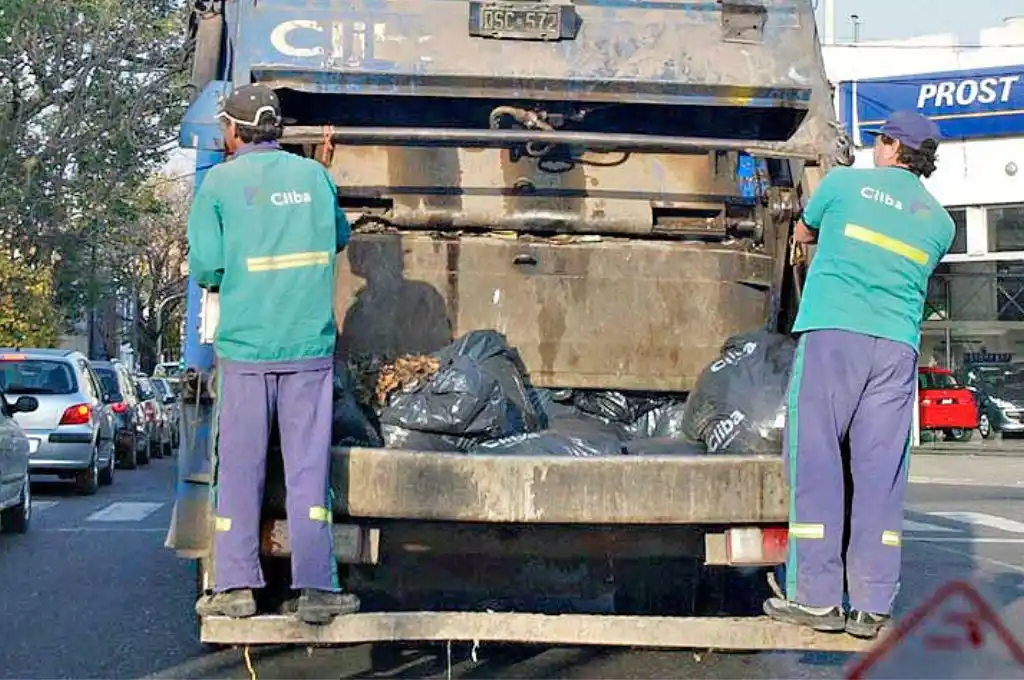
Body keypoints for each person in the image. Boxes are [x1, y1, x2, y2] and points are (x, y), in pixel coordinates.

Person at [763, 110, 954, 639]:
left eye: (880, 140)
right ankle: (872, 605)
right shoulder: (941, 222)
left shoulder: (844, 184)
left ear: (893, 146)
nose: (875, 147)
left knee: (819, 461)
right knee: (880, 474)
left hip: (834, 336)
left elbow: (801, 231)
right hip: (896, 349)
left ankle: (817, 599)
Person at [188, 83, 359, 625]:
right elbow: (336, 237)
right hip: (308, 347)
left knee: (240, 467)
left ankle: (236, 586)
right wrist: (318, 174)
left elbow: (208, 270)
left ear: (233, 132)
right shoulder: (314, 177)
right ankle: (317, 589)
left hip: (246, 349)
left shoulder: (218, 182)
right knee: (309, 469)